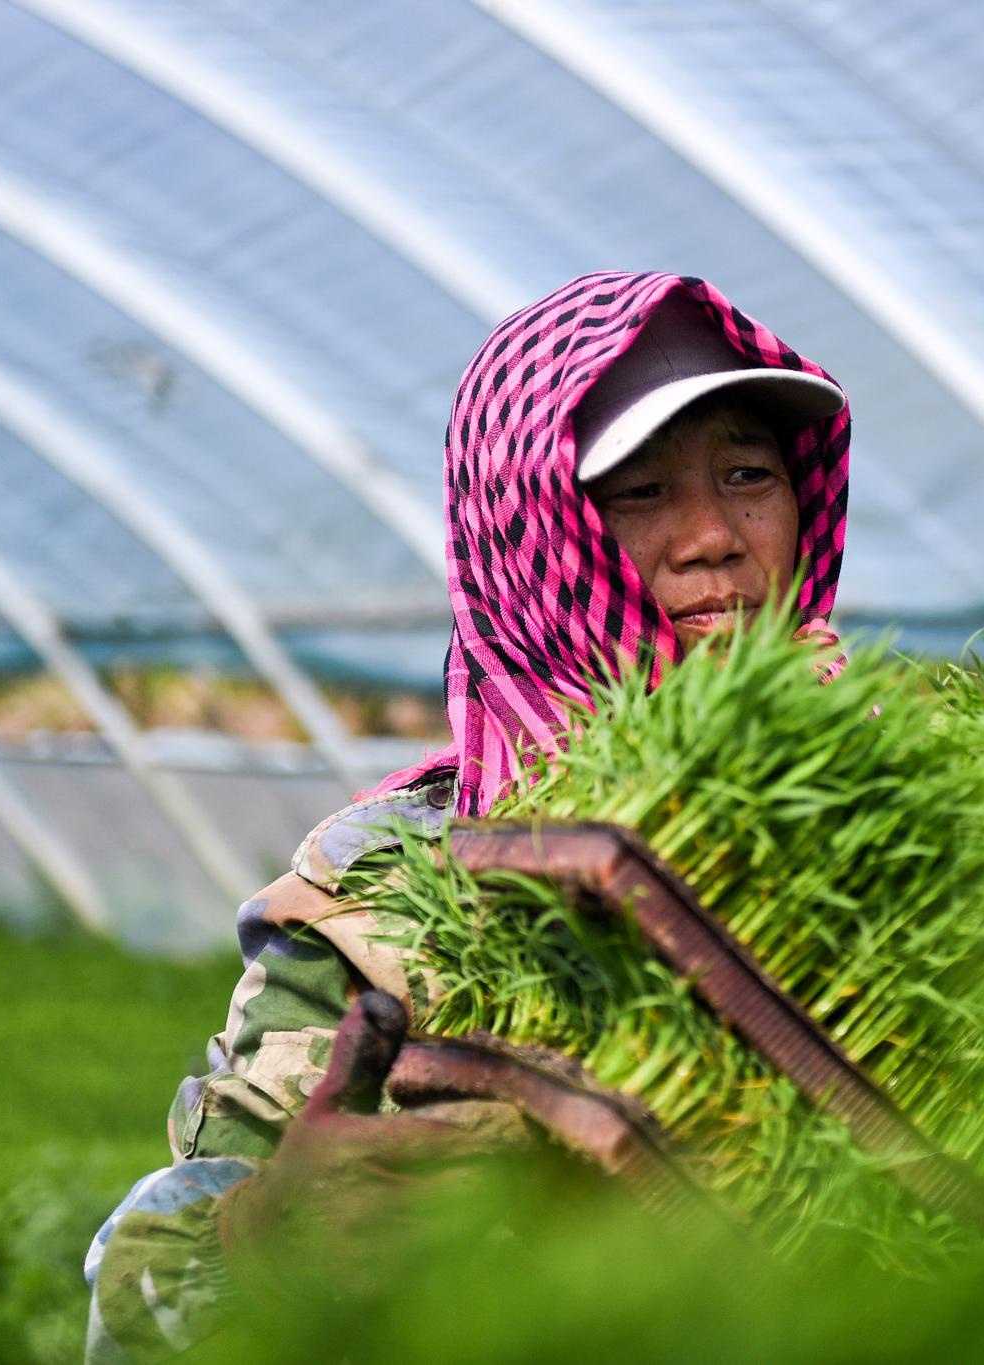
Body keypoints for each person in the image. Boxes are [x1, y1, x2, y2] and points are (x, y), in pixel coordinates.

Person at [82, 272, 851, 1361]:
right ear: (523, 531)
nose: (713, 536)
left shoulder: (937, 815)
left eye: (747, 475)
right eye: (637, 492)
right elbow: (144, 1304)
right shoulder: (386, 901)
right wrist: (266, 1243)